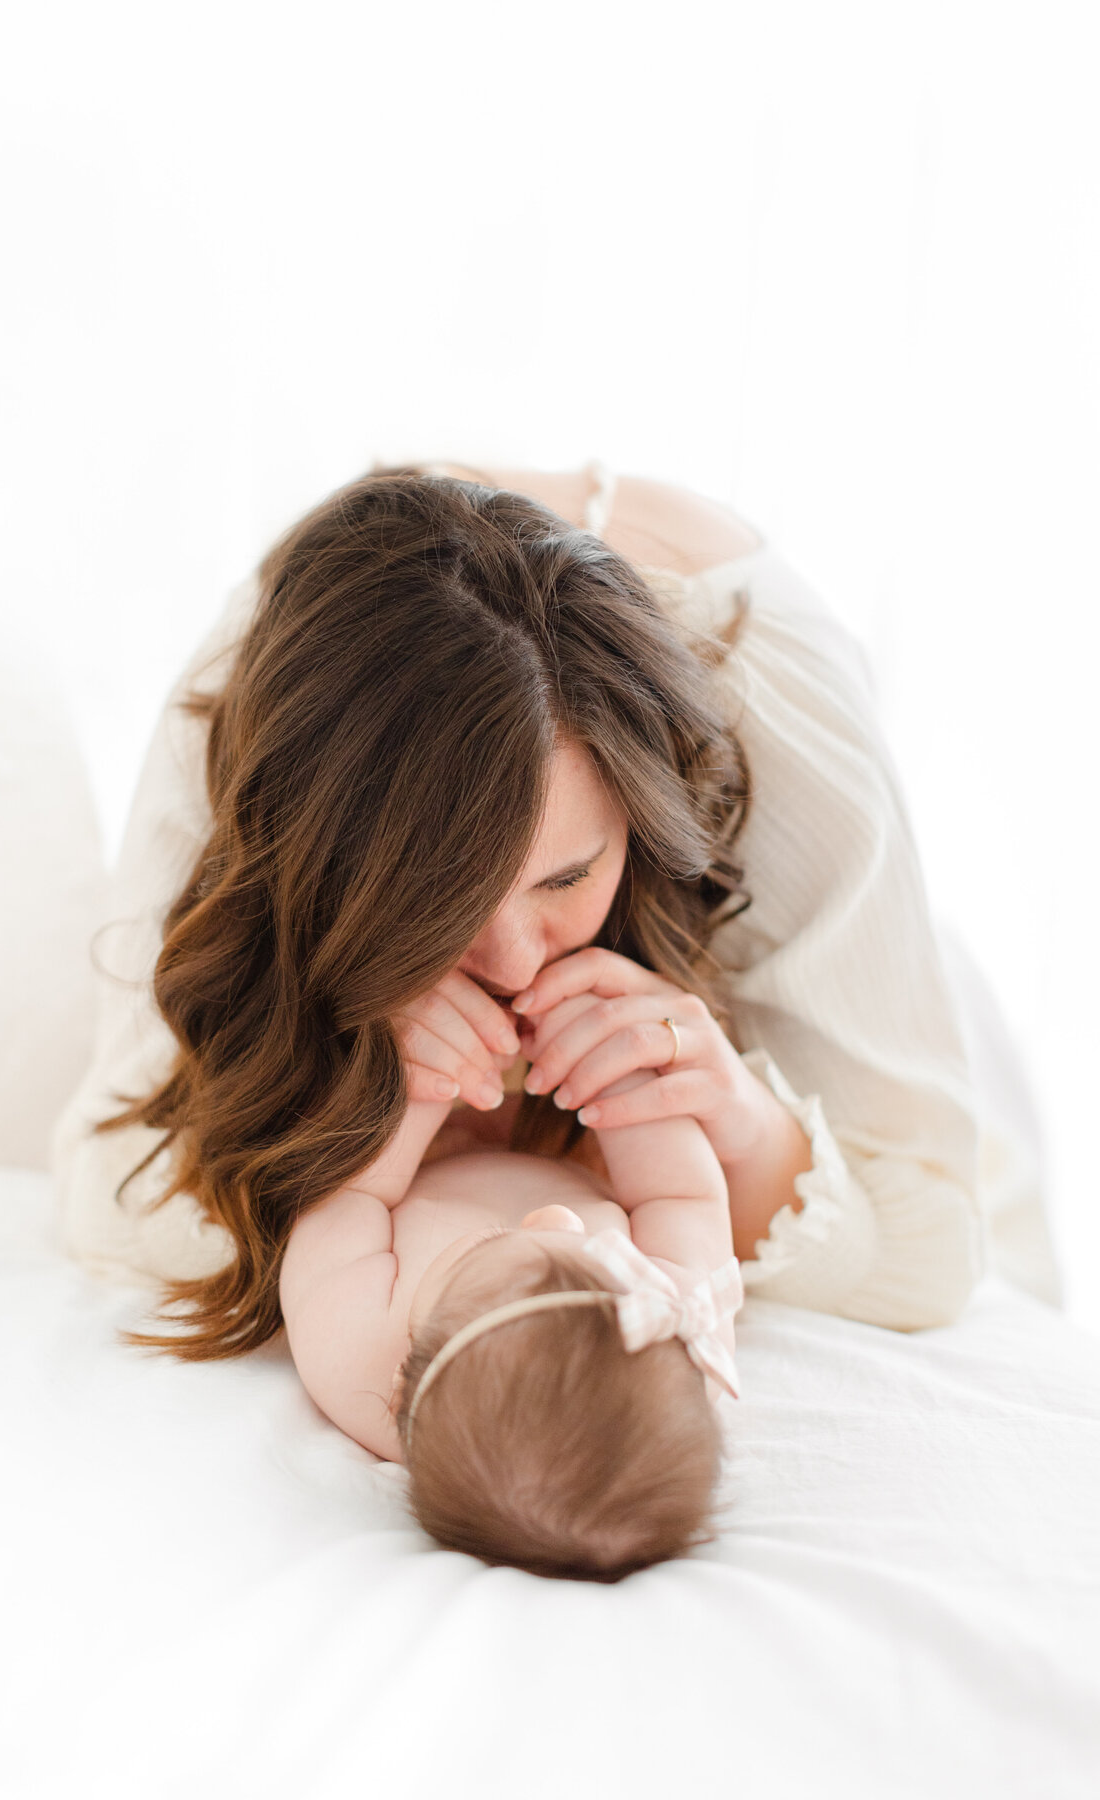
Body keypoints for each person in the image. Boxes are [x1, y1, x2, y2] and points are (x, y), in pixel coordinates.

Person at [49, 458, 985, 1372]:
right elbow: (110, 1197)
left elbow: (932, 1257)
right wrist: (361, 1098)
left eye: (567, 879)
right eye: (433, 899)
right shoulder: (270, 689)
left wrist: (737, 1119)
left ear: (646, 818)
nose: (508, 961)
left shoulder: (778, 701)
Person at [280, 1047, 744, 1581]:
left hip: (429, 1137)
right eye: (597, 1247)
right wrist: (619, 1077)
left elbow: (345, 1190)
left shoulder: (348, 1343)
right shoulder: (678, 1345)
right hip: (576, 1134)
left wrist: (425, 1079)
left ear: (403, 1382)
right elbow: (679, 1195)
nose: (555, 1219)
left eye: (496, 1241)